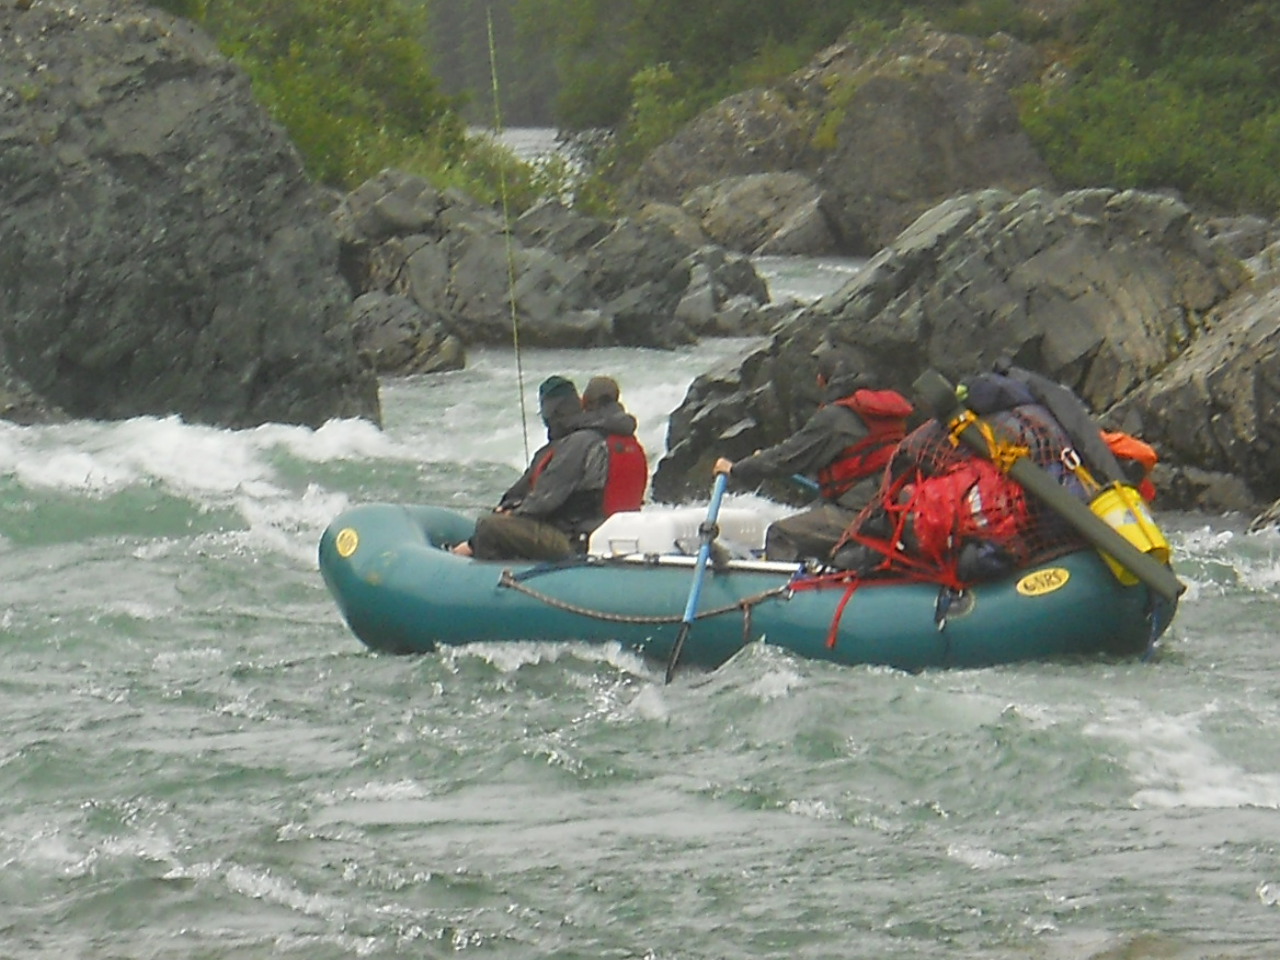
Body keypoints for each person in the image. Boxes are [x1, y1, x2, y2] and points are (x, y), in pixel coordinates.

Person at [712, 346, 914, 562]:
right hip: (888, 509)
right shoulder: (885, 415)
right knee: (815, 512)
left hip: (860, 514)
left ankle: (779, 590)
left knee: (781, 534)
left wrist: (735, 469)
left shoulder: (835, 418)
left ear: (822, 381)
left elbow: (787, 457)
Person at [453, 374, 646, 561]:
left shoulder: (580, 442)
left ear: (585, 401)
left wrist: (512, 514)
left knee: (489, 526)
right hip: (619, 540)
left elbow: (545, 500)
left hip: (576, 543)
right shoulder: (631, 443)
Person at [580, 375, 648, 515]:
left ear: (587, 402)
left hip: (596, 526)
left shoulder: (591, 441)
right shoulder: (633, 442)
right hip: (631, 523)